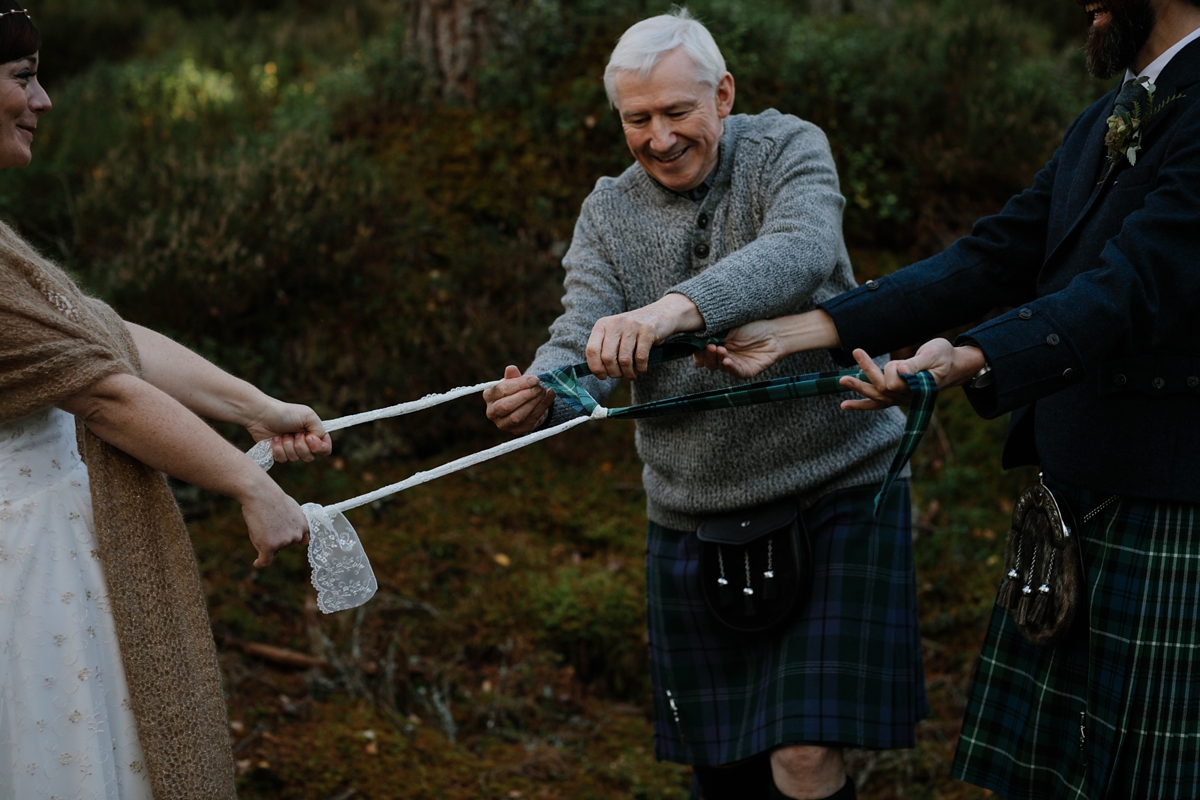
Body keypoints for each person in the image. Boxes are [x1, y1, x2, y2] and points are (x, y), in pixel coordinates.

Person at [693, 0, 1200, 797]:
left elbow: (1135, 284)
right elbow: (995, 253)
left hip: (1170, 501)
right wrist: (802, 331)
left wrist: (970, 355)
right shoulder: (1114, 112)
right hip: (1083, 484)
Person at [484, 10, 926, 800]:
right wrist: (546, 392)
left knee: (802, 754)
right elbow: (582, 332)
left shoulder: (788, 148)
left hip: (840, 487)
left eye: (677, 112)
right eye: (637, 119)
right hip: (694, 512)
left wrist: (671, 310)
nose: (659, 138)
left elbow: (802, 249)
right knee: (720, 766)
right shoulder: (607, 212)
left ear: (723, 95)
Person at [0, 7, 333, 798]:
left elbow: (101, 333)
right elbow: (104, 394)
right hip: (26, 565)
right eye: (21, 77)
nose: (43, 99)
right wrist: (250, 485)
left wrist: (258, 408)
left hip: (56, 548)